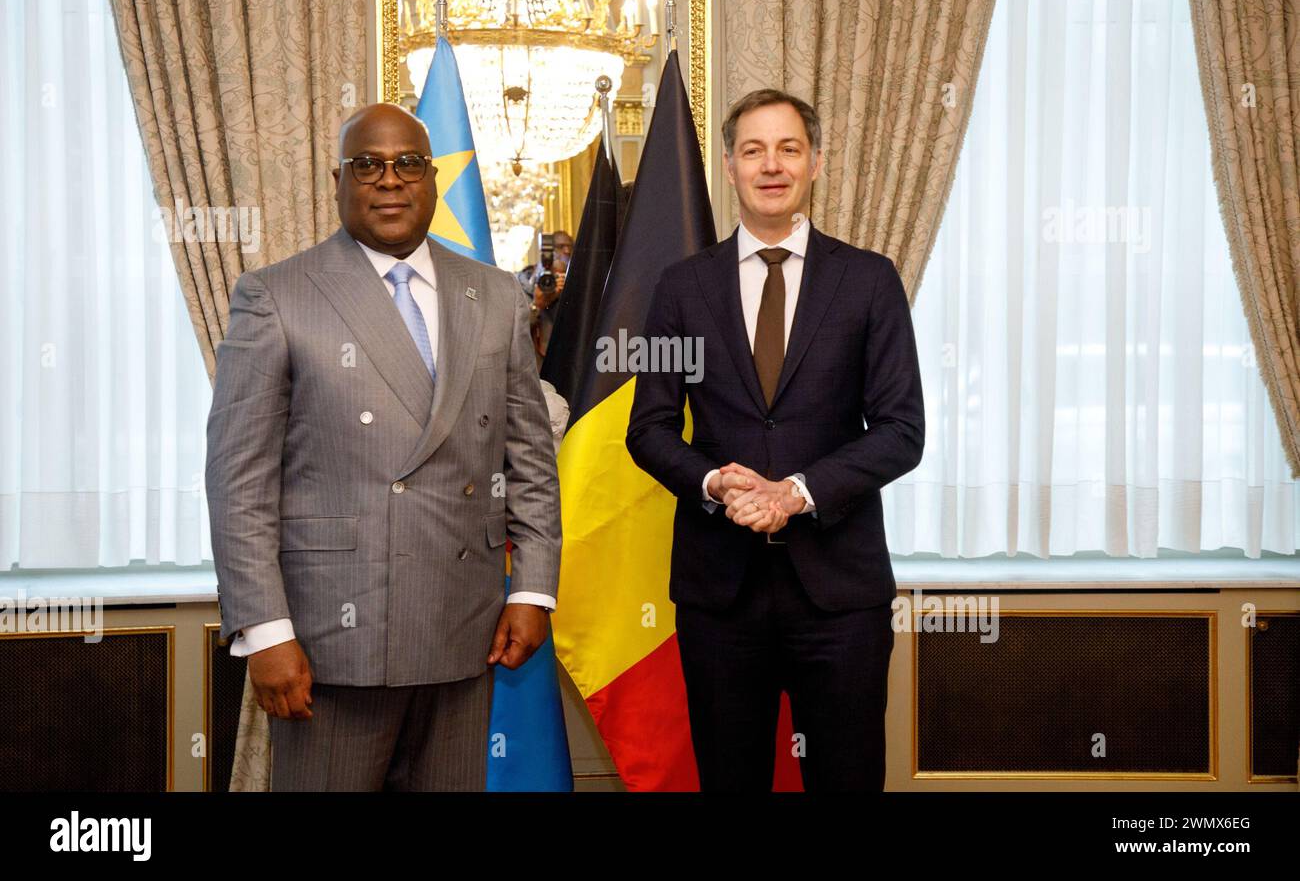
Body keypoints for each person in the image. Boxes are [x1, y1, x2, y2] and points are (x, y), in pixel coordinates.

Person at [206, 103, 561, 791]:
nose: (389, 180)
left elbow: (530, 460)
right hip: (331, 642)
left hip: (467, 628)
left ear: (432, 180)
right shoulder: (276, 297)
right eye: (368, 164)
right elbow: (237, 483)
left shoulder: (493, 296)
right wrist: (265, 631)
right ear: (337, 181)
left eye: (407, 165)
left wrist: (537, 590)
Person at [625, 89, 924, 791]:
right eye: (753, 150)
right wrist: (714, 483)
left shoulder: (869, 281)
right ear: (728, 166)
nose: (772, 165)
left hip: (841, 595)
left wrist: (796, 493)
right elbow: (650, 427)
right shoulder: (680, 289)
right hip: (719, 594)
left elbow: (901, 431)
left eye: (788, 148)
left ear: (815, 162)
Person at [517, 230, 572, 360]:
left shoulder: (578, 285)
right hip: (534, 366)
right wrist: (537, 305)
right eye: (560, 247)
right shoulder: (521, 285)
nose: (566, 252)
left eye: (570, 247)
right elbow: (513, 331)